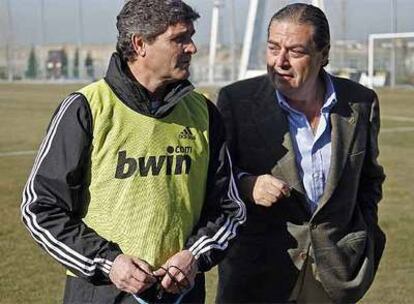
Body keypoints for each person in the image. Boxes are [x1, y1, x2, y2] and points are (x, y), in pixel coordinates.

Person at [20, 1, 245, 303]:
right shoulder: (86, 108)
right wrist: (108, 263)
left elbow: (228, 209)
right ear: (140, 44)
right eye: (179, 38)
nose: (192, 48)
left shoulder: (203, 112)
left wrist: (194, 255)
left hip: (181, 295)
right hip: (99, 294)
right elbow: (40, 208)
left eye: (191, 36)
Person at [216, 3, 385, 303]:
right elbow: (213, 180)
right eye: (273, 47)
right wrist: (246, 183)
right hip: (258, 274)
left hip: (333, 275)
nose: (280, 61)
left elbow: (369, 180)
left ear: (323, 54)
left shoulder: (361, 102)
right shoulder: (235, 101)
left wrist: (366, 237)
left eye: (295, 51)